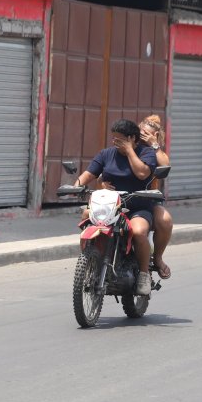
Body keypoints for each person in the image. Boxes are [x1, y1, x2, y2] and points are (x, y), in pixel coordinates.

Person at [69, 118, 159, 296]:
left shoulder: (146, 153)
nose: (115, 143)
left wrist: (129, 152)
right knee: (86, 214)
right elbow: (88, 174)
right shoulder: (106, 154)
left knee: (139, 231)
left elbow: (142, 173)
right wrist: (75, 187)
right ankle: (91, 260)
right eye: (114, 139)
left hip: (137, 207)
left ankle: (143, 274)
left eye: (120, 140)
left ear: (132, 138)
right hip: (109, 206)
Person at [139, 115, 173, 281]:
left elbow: (165, 165)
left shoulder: (155, 151)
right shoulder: (128, 147)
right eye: (141, 132)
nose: (142, 136)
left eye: (147, 134)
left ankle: (157, 258)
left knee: (165, 220)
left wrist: (154, 144)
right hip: (122, 195)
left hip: (148, 197)